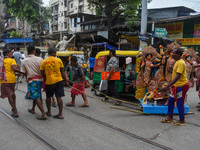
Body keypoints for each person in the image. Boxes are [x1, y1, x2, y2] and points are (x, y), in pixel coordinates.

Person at [161, 48, 189, 126]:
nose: (172, 54)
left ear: (179, 54)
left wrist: (168, 86)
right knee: (170, 100)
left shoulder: (180, 63)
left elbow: (178, 76)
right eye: (172, 53)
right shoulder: (177, 62)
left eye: (174, 53)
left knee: (180, 103)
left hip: (181, 86)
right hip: (176, 86)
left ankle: (182, 120)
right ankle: (170, 117)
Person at [21, 46, 47, 120]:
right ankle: (33, 109)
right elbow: (43, 70)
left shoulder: (24, 61)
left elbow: (23, 72)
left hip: (32, 80)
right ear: (33, 51)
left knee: (36, 96)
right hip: (40, 80)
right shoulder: (40, 59)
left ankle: (44, 114)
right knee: (38, 95)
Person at [40, 48, 67, 119]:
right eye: (55, 53)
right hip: (59, 81)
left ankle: (49, 112)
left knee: (48, 97)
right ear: (53, 53)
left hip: (49, 82)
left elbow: (42, 73)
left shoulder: (44, 61)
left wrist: (46, 78)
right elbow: (62, 72)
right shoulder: (58, 60)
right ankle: (60, 114)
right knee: (59, 97)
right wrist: (66, 81)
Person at [1, 50, 21, 117]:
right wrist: (22, 72)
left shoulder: (1, 61)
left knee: (9, 95)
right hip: (12, 79)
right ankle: (14, 108)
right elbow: (14, 68)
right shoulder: (11, 60)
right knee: (12, 93)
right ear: (7, 53)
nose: (12, 54)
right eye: (11, 53)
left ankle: (15, 112)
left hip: (4, 80)